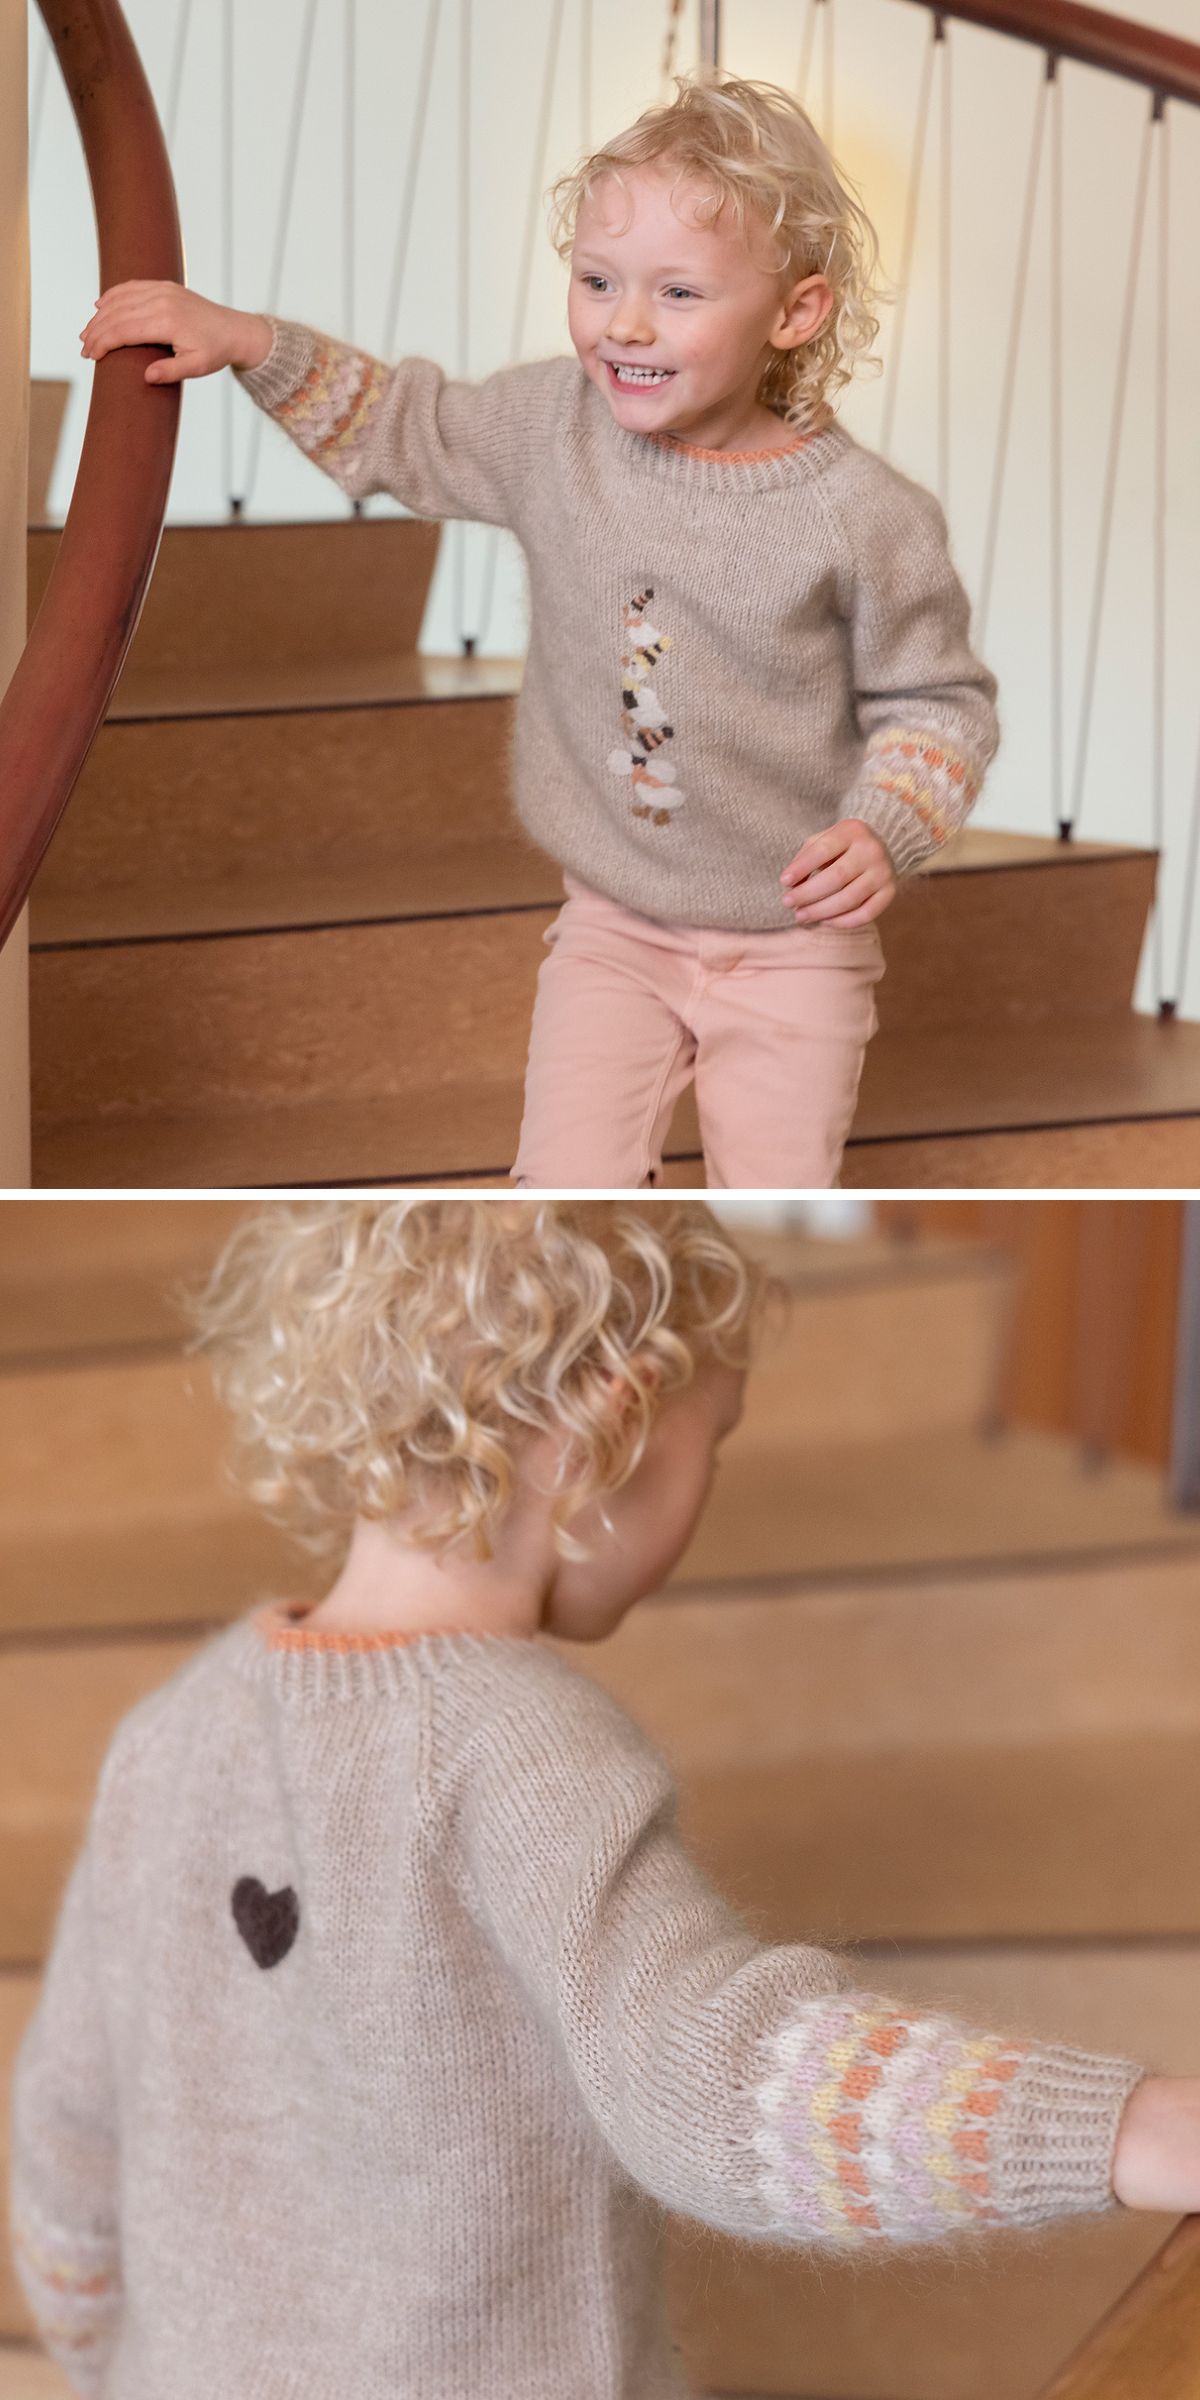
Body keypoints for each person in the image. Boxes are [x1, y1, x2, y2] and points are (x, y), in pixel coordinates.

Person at [9, 1197, 1199, 2400]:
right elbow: (712, 2083)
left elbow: (62, 2162)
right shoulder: (520, 1748)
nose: (711, 1484)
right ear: (607, 1426)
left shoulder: (164, 1741)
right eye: (712, 1442)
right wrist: (1128, 2127)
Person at [78, 73, 998, 1190]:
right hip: (614, 924)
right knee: (561, 1199)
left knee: (771, 1206)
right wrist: (250, 341)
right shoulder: (549, 428)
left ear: (794, 314)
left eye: (679, 293)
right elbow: (401, 429)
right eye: (597, 279)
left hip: (793, 943)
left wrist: (885, 822)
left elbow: (938, 704)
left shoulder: (864, 517)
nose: (625, 322)